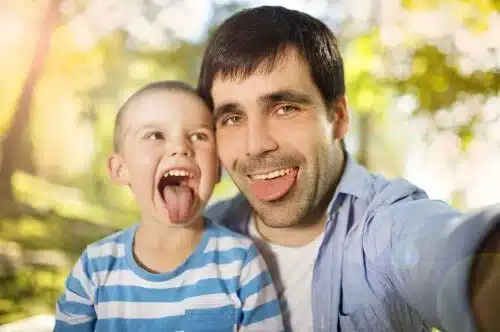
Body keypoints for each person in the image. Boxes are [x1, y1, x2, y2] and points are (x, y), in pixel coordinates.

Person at [198, 6, 500, 332]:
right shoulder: (202, 238)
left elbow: (453, 253)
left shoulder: (386, 224)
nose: (255, 145)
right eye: (232, 118)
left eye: (285, 108)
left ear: (338, 117)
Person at [53, 81, 284, 332]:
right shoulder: (94, 268)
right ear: (121, 169)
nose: (180, 148)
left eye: (199, 136)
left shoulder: (241, 263)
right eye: (155, 135)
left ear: (217, 168)